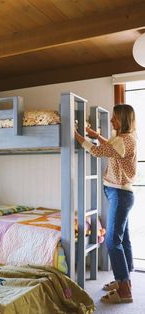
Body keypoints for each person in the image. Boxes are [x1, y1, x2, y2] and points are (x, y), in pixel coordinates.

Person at [75, 104, 137, 304]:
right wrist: (95, 134)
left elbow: (97, 151)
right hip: (122, 194)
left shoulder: (122, 140)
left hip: (118, 194)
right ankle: (125, 281)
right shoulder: (128, 138)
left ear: (123, 120)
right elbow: (111, 148)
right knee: (123, 239)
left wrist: (76, 136)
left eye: (115, 118)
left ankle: (124, 289)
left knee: (112, 241)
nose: (111, 121)